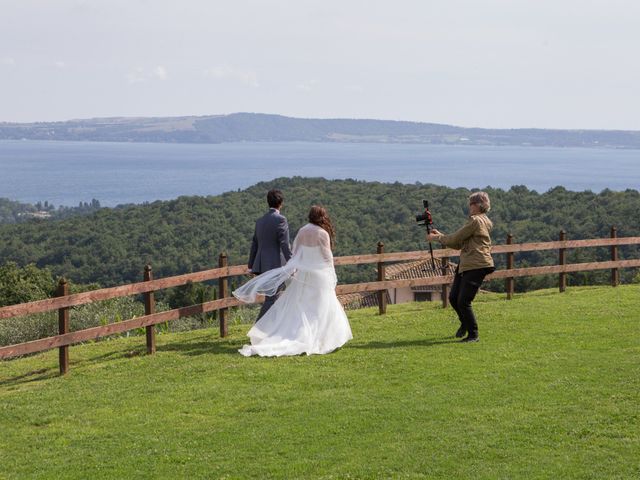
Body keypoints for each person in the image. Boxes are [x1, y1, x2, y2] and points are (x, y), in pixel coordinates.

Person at [233, 206, 353, 357]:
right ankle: (320, 337)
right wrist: (332, 274)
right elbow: (327, 257)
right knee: (320, 306)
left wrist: (296, 268)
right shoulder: (323, 233)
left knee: (302, 306)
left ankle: (300, 334)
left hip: (303, 276)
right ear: (322, 217)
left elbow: (295, 252)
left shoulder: (302, 231)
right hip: (319, 275)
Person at [427, 191, 495, 343]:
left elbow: (456, 238)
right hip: (467, 264)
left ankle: (473, 334)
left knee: (463, 301)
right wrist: (441, 235)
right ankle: (465, 323)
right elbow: (458, 244)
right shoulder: (481, 221)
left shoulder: (476, 221)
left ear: (478, 205)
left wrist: (436, 237)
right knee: (453, 298)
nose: (469, 206)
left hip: (476, 264)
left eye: (471, 203)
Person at [248, 189, 293, 320]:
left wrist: (251, 265)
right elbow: (285, 244)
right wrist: (293, 263)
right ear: (281, 203)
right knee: (271, 298)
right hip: (276, 265)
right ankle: (258, 329)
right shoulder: (281, 220)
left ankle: (274, 328)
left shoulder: (260, 221)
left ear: (268, 202)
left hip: (262, 265)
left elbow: (254, 244)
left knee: (273, 297)